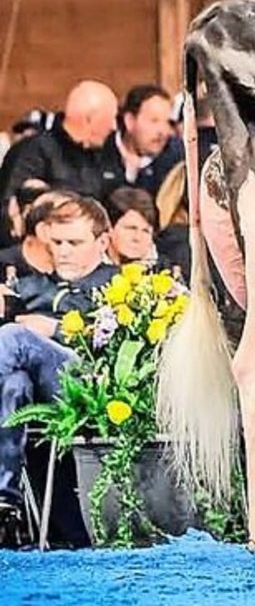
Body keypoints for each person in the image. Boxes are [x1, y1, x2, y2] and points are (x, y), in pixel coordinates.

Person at [0, 196, 119, 542]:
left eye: (75, 242)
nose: (64, 251)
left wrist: (54, 330)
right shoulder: (29, 285)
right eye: (57, 242)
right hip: (37, 399)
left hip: (94, 388)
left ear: (102, 242)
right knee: (14, 383)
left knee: (14, 337)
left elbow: (127, 341)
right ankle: (5, 502)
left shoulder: (121, 283)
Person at [0, 81, 120, 205]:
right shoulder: (32, 153)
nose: (114, 127)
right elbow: (8, 207)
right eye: (111, 118)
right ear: (89, 119)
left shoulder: (106, 156)